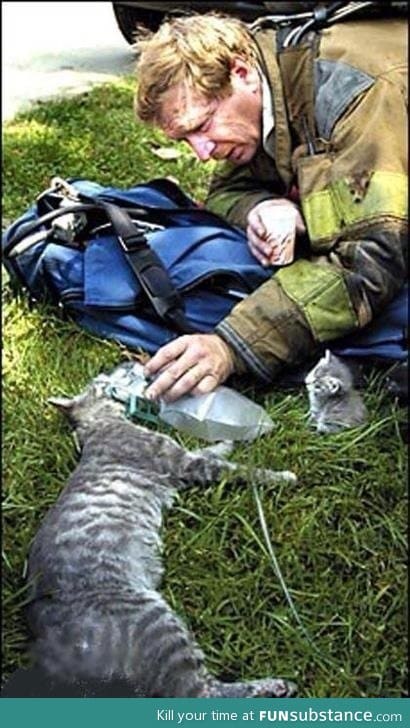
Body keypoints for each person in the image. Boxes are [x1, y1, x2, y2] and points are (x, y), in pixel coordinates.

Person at [134, 10, 407, 402]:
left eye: (203, 125)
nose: (203, 152)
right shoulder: (268, 89)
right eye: (186, 140)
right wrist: (264, 206)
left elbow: (371, 260)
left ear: (242, 73)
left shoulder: (354, 92)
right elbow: (226, 191)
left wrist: (231, 346)